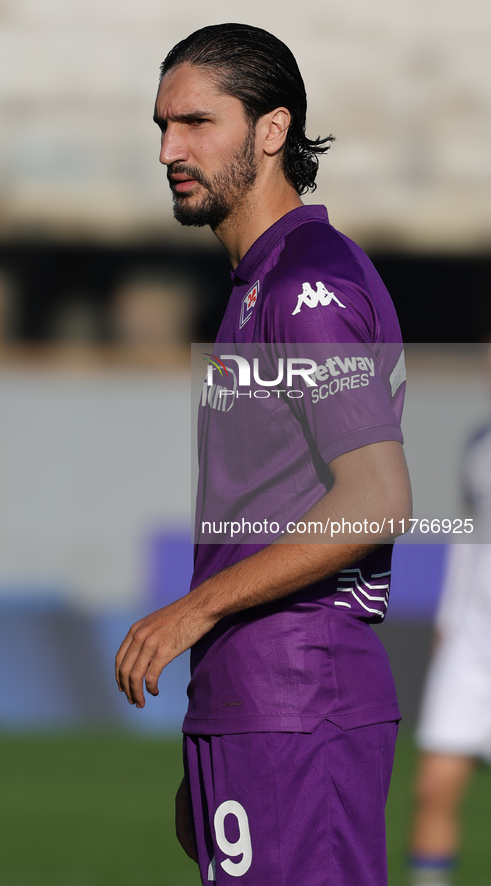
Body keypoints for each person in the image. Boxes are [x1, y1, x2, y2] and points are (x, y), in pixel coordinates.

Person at [115, 23, 412, 885]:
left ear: (271, 130)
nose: (171, 148)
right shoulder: (256, 287)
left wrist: (190, 612)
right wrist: (210, 726)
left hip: (300, 701)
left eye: (197, 123)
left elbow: (376, 497)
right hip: (253, 709)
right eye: (162, 126)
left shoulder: (303, 288)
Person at [409, 423, 491, 886]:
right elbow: (468, 537)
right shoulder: (478, 445)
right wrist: (448, 616)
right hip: (472, 644)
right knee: (434, 787)